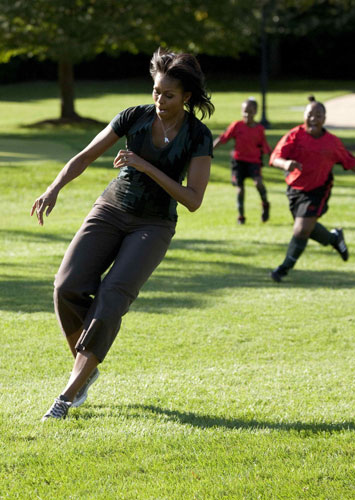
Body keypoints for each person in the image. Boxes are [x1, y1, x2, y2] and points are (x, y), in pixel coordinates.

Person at [31, 48, 214, 421]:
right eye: (156, 91)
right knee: (66, 286)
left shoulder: (198, 136)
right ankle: (87, 367)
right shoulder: (134, 117)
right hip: (112, 209)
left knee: (112, 297)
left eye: (169, 95)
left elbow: (193, 200)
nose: (160, 100)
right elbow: (84, 156)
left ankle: (67, 395)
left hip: (154, 225)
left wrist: (145, 166)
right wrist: (54, 187)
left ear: (187, 98)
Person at [269, 95, 355, 283]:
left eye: (318, 115)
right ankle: (335, 239)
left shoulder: (332, 142)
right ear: (304, 116)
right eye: (310, 114)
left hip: (319, 188)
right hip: (295, 188)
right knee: (305, 228)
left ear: (324, 119)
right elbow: (275, 158)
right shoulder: (294, 135)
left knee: (301, 229)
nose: (313, 119)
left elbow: (349, 160)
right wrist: (285, 164)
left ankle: (283, 268)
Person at [213, 97, 271, 224]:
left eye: (250, 111)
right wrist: (210, 149)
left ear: (256, 112)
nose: (247, 114)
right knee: (240, 190)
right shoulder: (237, 125)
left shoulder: (259, 129)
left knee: (258, 184)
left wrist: (273, 158)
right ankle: (241, 216)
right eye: (244, 111)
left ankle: (265, 204)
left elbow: (265, 146)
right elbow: (223, 138)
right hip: (238, 162)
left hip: (254, 162)